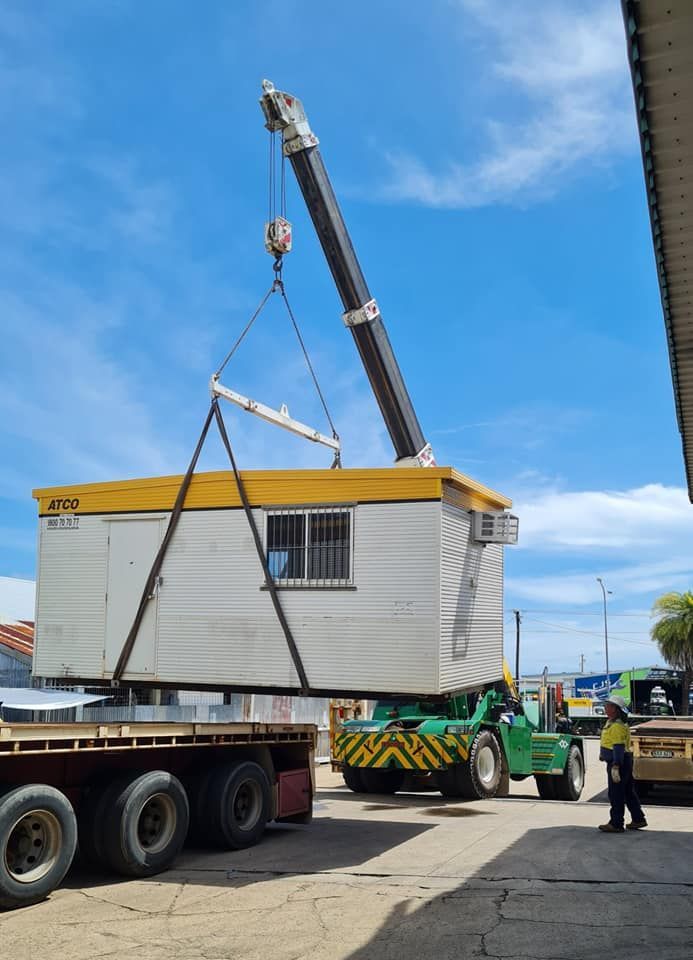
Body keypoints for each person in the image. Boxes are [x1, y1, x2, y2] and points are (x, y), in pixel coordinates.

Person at [598, 694, 647, 833]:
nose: (605, 708)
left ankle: (616, 823)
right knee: (628, 792)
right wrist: (603, 754)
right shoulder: (613, 724)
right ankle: (638, 819)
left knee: (616, 794)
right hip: (622, 761)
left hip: (619, 763)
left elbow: (618, 747)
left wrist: (616, 765)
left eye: (608, 706)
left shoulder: (617, 726)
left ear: (615, 709)